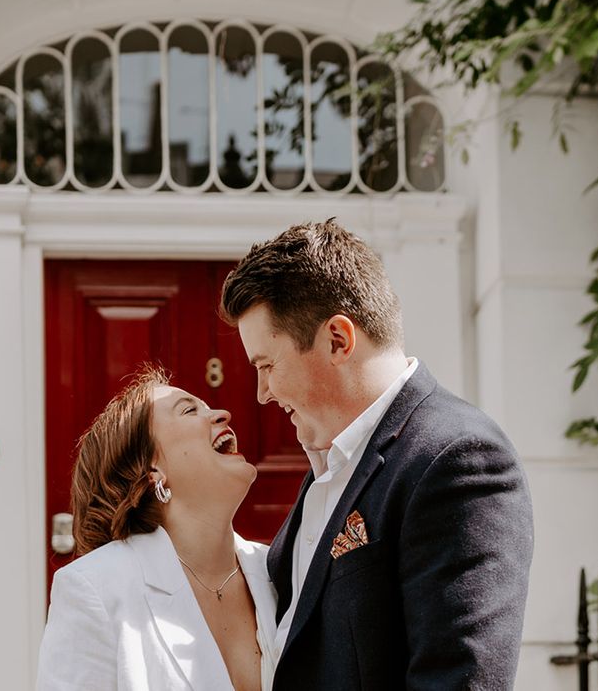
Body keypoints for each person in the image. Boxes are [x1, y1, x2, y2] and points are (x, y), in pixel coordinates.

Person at [219, 219, 534, 690]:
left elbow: (458, 681)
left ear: (338, 340)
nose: (263, 392)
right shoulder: (332, 463)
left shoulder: (459, 460)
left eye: (267, 365)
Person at [36, 368, 277, 691]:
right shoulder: (95, 588)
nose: (222, 413)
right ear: (152, 470)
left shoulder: (278, 571)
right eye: (190, 410)